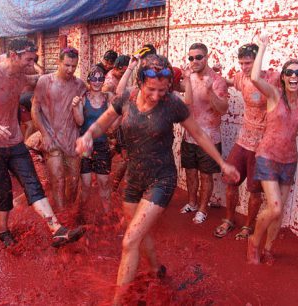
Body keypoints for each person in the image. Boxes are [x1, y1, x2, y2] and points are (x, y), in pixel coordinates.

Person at [75, 54, 239, 304]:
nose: (157, 95)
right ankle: (155, 269)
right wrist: (87, 136)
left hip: (162, 178)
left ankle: (117, 302)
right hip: (135, 177)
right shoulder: (125, 98)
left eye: (163, 90)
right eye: (152, 89)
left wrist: (222, 162)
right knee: (139, 233)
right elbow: (101, 124)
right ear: (141, 82)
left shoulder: (173, 104)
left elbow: (199, 134)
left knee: (130, 240)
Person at [0, 39, 84, 248]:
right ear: (14, 56)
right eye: (29, 59)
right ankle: (3, 231)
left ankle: (57, 230)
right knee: (4, 192)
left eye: (34, 59)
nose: (32, 63)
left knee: (33, 185)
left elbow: (46, 79)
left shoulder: (21, 77)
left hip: (16, 142)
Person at [247, 34, 298, 266]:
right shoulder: (274, 94)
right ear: (283, 77)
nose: (294, 76)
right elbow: (255, 77)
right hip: (267, 155)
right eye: (289, 73)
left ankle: (268, 248)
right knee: (273, 207)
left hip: (289, 159)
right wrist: (263, 47)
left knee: (280, 210)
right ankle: (254, 242)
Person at [213, 43, 279, 239]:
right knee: (231, 181)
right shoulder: (240, 77)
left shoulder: (272, 78)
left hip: (263, 144)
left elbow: (293, 89)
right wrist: (215, 76)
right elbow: (228, 82)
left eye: (248, 62)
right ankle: (229, 219)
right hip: (243, 140)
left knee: (254, 190)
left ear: (258, 59)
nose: (244, 67)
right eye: (241, 63)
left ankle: (249, 226)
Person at [179, 43, 229, 224]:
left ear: (206, 57)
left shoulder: (217, 80)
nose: (194, 61)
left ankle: (202, 209)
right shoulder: (188, 78)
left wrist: (210, 92)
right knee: (190, 173)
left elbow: (223, 109)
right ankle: (192, 203)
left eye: (198, 57)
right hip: (189, 136)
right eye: (191, 58)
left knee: (206, 176)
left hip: (209, 137)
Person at [31, 47, 87, 209]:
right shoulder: (45, 81)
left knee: (74, 180)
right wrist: (44, 135)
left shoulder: (79, 85)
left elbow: (85, 110)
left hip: (72, 140)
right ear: (58, 62)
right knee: (58, 179)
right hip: (51, 138)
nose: (70, 70)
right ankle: (62, 215)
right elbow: (35, 109)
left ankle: (69, 210)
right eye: (67, 65)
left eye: (74, 66)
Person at [72, 65, 114, 213]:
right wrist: (75, 107)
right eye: (94, 79)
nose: (97, 82)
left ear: (103, 81)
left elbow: (112, 126)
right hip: (86, 148)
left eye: (100, 79)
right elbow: (80, 122)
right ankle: (80, 215)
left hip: (102, 146)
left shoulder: (108, 98)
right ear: (89, 80)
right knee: (86, 184)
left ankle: (109, 217)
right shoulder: (83, 99)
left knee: (104, 183)